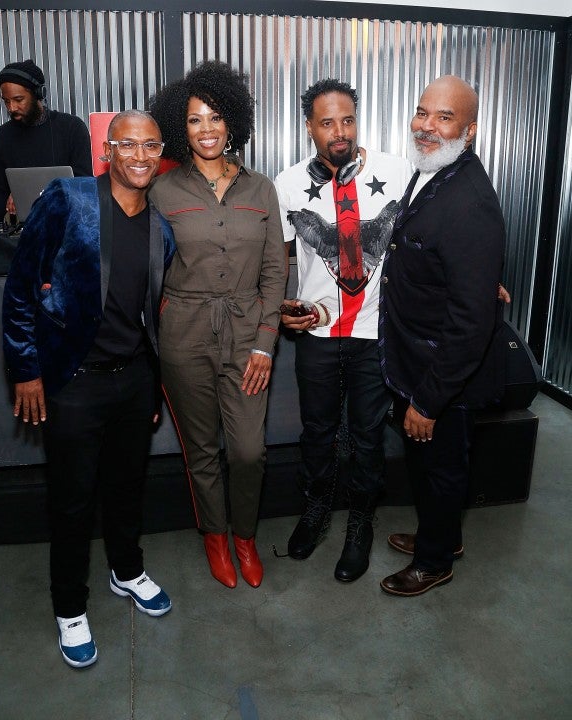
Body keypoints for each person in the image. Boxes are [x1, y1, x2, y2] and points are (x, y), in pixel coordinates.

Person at [2, 110, 175, 668]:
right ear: (108, 151)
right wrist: (26, 370)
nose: (140, 156)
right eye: (128, 145)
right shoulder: (69, 199)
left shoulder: (162, 229)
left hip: (134, 379)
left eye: (151, 146)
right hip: (74, 383)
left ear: (161, 153)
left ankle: (126, 570)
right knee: (73, 501)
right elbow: (20, 288)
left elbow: (148, 318)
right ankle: (70, 606)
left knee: (127, 487)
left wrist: (152, 388)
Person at [149, 61, 285, 589]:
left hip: (248, 333)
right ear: (179, 127)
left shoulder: (262, 189)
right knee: (201, 450)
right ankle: (215, 536)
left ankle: (245, 536)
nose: (206, 129)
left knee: (248, 451)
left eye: (215, 116)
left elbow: (274, 271)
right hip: (183, 334)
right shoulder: (162, 191)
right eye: (193, 119)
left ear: (233, 122)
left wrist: (266, 343)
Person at [274, 79, 411, 583]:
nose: (340, 132)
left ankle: (360, 524)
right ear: (309, 128)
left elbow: (428, 239)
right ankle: (315, 510)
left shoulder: (398, 172)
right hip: (318, 334)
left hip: (376, 334)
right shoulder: (288, 183)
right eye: (327, 122)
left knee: (368, 436)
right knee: (318, 432)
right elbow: (278, 262)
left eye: (348, 120)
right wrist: (282, 308)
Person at [379, 76, 506, 596]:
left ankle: (434, 562)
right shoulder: (435, 170)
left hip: (443, 376)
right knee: (428, 464)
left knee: (442, 468)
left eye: (444, 117)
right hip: (416, 360)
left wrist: (429, 401)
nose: (427, 126)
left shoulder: (470, 201)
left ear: (469, 131)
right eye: (422, 112)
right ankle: (442, 535)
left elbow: (471, 322)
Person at [0, 59, 92, 227]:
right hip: (27, 230)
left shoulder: (72, 128)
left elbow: (84, 185)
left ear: (38, 94)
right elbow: (1, 193)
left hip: (69, 226)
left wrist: (29, 193)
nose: (11, 108)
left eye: (18, 99)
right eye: (6, 101)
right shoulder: (0, 137)